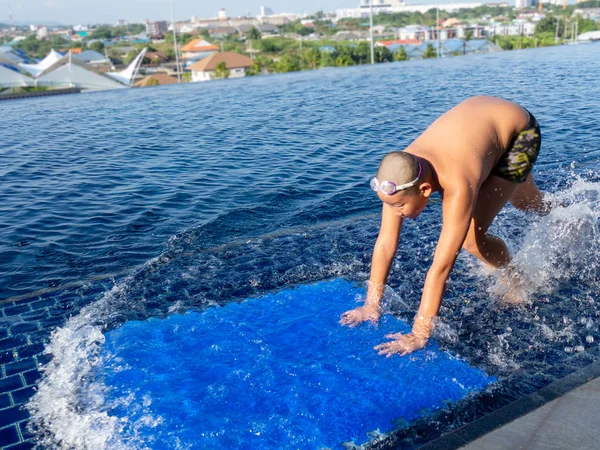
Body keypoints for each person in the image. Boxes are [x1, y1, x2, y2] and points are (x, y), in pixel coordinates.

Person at [340, 96, 550, 357]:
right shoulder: (398, 176)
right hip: (485, 132)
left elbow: (441, 267)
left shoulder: (457, 184)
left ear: (426, 190)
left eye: (399, 207)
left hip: (521, 135)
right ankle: (561, 213)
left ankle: (518, 279)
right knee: (525, 203)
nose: (396, 213)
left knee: (472, 240)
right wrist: (371, 305)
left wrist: (419, 333)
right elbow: (385, 243)